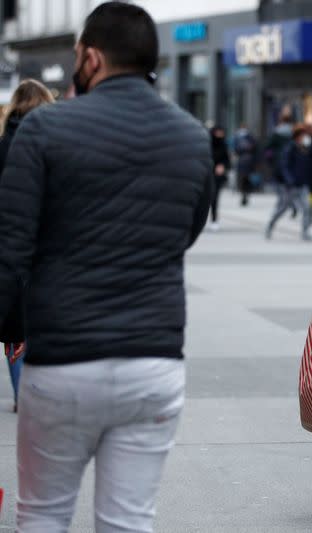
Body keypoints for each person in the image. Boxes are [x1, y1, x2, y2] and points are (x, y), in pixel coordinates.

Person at [0, 3, 212, 531]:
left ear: (91, 58)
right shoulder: (191, 137)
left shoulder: (44, 130)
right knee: (128, 520)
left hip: (63, 360)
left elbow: (10, 252)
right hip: (154, 362)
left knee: (43, 515)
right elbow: (183, 234)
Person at [0, 79, 54, 413]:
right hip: (48, 243)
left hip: (8, 243)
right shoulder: (57, 143)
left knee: (13, 320)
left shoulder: (3, 145)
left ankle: (23, 393)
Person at [266, 124, 312, 241]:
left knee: (307, 207)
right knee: (283, 207)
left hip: (303, 184)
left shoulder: (306, 148)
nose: (305, 138)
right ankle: (270, 225)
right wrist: (289, 180)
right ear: (297, 137)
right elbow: (284, 166)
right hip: (291, 185)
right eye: (303, 135)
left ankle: (305, 232)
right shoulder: (290, 148)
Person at [209, 124, 230, 231]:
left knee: (215, 198)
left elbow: (227, 160)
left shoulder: (223, 144)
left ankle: (214, 220)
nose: (220, 134)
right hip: (206, 175)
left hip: (217, 176)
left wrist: (223, 166)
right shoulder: (207, 144)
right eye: (218, 132)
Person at [234, 122, 258, 206]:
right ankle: (244, 195)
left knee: (245, 179)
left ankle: (245, 194)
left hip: (247, 162)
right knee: (244, 179)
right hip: (244, 162)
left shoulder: (249, 137)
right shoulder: (238, 137)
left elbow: (255, 148)